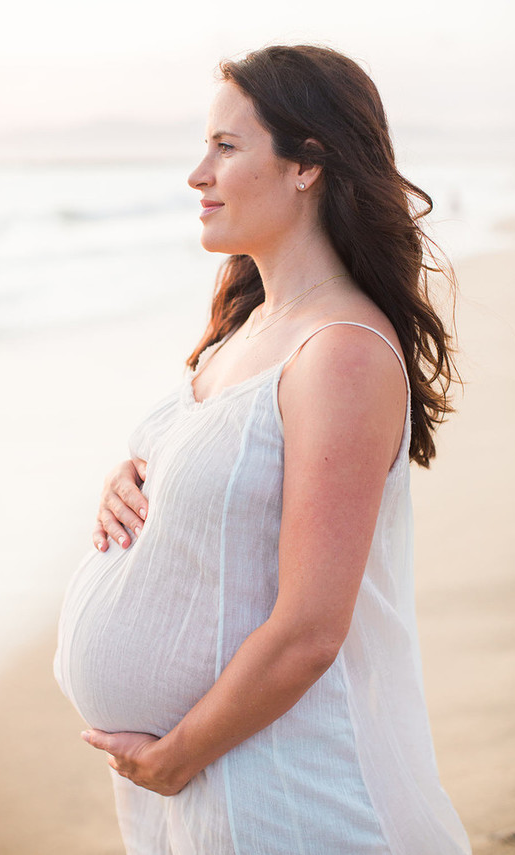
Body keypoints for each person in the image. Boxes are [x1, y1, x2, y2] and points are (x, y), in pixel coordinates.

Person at [55, 44, 471, 855]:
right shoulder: (247, 328)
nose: (197, 174)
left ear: (306, 164)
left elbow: (312, 626)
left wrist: (178, 757)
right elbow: (228, 487)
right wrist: (133, 481)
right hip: (203, 789)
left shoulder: (342, 351)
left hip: (292, 798)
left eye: (227, 146)